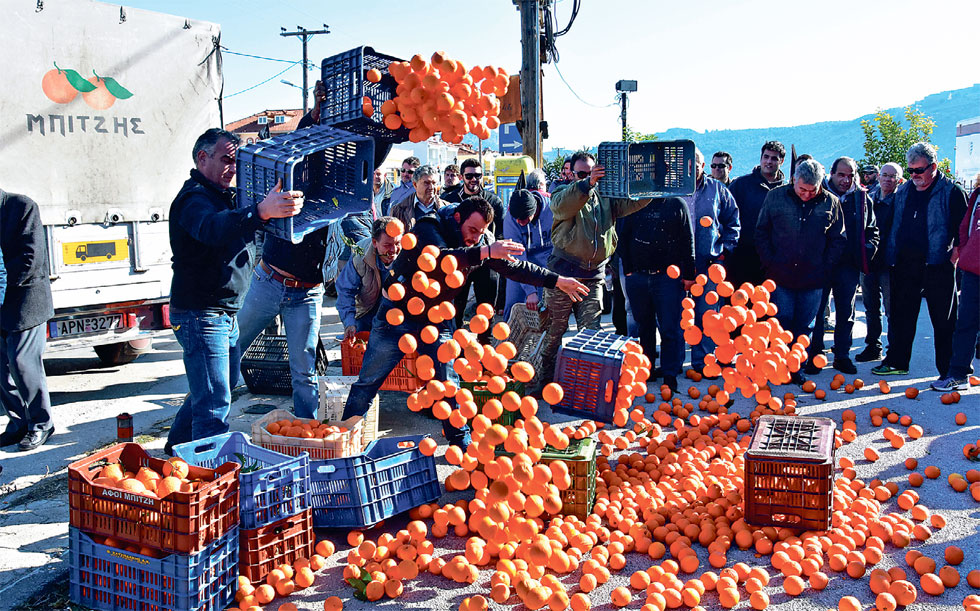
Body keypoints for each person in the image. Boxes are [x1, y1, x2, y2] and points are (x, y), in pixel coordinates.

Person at [341, 198, 588, 447]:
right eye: (472, 230)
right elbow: (440, 259)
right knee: (369, 379)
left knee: (448, 382)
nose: (475, 237)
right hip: (397, 315)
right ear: (458, 218)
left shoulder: (479, 243)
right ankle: (344, 436)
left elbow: (515, 268)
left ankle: (461, 442)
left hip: (436, 317)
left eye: (481, 232)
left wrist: (557, 281)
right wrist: (485, 252)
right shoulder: (429, 227)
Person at [165, 128, 302, 452]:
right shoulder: (193, 199)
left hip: (222, 312)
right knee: (214, 402)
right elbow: (212, 229)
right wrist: (260, 212)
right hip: (202, 313)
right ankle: (210, 471)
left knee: (215, 387)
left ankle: (177, 449)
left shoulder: (221, 195)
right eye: (227, 159)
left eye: (236, 161)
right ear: (202, 157)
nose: (233, 168)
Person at [537, 151, 653, 390]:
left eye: (593, 173)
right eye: (582, 174)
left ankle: (587, 384)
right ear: (571, 174)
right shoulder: (562, 192)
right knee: (554, 332)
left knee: (591, 335)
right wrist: (586, 184)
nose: (590, 177)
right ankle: (545, 380)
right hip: (563, 276)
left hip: (592, 276)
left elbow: (631, 203)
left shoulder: (605, 196)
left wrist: (650, 188)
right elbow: (561, 206)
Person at [874, 142, 968, 381]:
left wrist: (953, 258)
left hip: (938, 265)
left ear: (933, 167)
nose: (914, 175)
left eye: (919, 170)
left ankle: (949, 371)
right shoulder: (904, 191)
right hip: (905, 265)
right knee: (901, 317)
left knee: (944, 321)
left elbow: (963, 231)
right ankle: (897, 362)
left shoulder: (952, 192)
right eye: (911, 170)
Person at [755, 159, 846, 385]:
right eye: (802, 189)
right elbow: (761, 232)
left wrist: (826, 267)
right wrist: (770, 262)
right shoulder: (775, 197)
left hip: (813, 278)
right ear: (794, 180)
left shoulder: (831, 202)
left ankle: (797, 368)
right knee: (780, 324)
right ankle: (778, 367)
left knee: (805, 327)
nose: (806, 195)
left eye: (812, 191)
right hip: (780, 275)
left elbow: (838, 239)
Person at [236, 222, 331, 420]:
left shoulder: (337, 206)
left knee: (304, 370)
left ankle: (306, 429)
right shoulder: (287, 200)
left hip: (307, 294)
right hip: (268, 282)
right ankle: (195, 420)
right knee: (228, 351)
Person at [807, 157, 878, 375]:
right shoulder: (818, 194)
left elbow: (872, 229)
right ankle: (815, 354)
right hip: (821, 263)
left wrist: (865, 251)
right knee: (817, 311)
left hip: (848, 264)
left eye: (850, 175)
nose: (846, 180)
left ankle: (842, 355)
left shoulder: (862, 198)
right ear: (832, 173)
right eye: (841, 175)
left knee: (846, 311)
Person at [619, 195, 696, 391]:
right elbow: (622, 235)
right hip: (638, 276)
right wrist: (628, 269)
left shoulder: (676, 204)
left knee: (670, 328)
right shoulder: (635, 202)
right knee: (644, 327)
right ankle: (647, 370)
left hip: (668, 278)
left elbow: (687, 240)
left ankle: (670, 374)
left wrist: (689, 274)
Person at [0, 188, 54, 451]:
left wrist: (3, 288)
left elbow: (31, 258)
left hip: (25, 300)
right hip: (3, 299)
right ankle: (19, 423)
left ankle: (42, 423)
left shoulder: (21, 206)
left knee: (23, 362)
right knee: (1, 368)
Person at [682, 148, 740, 375]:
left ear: (703, 166)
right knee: (676, 316)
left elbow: (733, 221)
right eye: (686, 164)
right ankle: (674, 364)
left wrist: (724, 251)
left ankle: (703, 362)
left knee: (707, 316)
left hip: (709, 263)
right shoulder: (673, 190)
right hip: (678, 265)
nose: (690, 168)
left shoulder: (718, 190)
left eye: (695, 164)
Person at [443, 159, 507, 332]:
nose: (474, 179)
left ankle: (485, 344)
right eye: (469, 175)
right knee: (455, 312)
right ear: (461, 177)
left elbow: (501, 232)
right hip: (459, 262)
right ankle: (455, 344)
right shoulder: (449, 199)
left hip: (486, 262)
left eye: (477, 176)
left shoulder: (494, 201)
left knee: (486, 313)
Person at [931, 184, 980, 390]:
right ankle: (959, 374)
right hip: (973, 270)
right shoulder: (977, 194)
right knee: (966, 323)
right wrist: (965, 251)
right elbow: (965, 225)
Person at [856, 162, 902, 362]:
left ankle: (894, 349)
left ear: (899, 180)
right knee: (870, 307)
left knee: (892, 309)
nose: (887, 179)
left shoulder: (901, 202)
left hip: (890, 263)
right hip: (870, 261)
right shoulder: (869, 199)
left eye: (892, 176)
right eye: (884, 175)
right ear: (879, 176)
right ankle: (873, 346)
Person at [728, 141, 787, 287]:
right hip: (743, 256)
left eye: (774, 158)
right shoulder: (741, 185)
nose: (769, 161)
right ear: (760, 158)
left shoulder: (787, 191)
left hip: (773, 260)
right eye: (766, 157)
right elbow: (725, 215)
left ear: (781, 161)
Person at [336, 216, 402, 338]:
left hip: (397, 313)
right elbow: (345, 290)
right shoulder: (359, 255)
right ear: (374, 242)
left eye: (397, 243)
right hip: (367, 311)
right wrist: (349, 323)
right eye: (387, 245)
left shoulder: (407, 254)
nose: (393, 250)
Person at [502, 169, 554, 314]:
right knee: (513, 304)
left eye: (524, 218)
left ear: (534, 210)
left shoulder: (553, 208)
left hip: (548, 261)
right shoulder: (511, 217)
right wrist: (530, 291)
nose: (520, 222)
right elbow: (516, 256)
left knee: (547, 308)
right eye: (517, 219)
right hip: (521, 262)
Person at [389, 165, 447, 231]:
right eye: (426, 183)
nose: (431, 187)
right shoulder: (399, 210)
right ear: (415, 185)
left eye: (434, 183)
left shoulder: (447, 209)